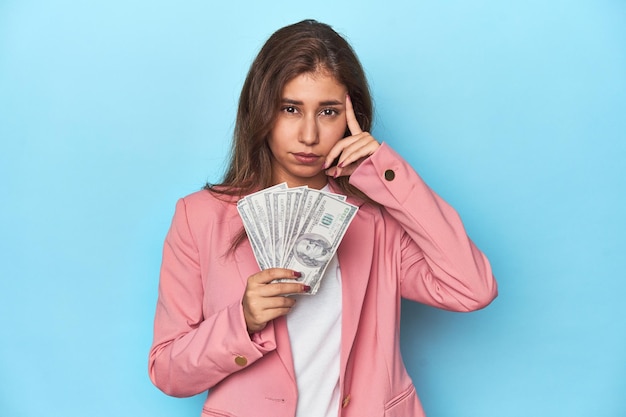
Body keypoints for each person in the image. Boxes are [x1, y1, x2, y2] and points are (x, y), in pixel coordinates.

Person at [148, 19, 497, 417]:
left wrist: (388, 173)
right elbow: (167, 370)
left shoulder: (375, 220)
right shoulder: (200, 217)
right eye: (291, 109)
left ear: (352, 117)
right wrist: (241, 321)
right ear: (261, 111)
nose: (309, 135)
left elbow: (473, 288)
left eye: (328, 111)